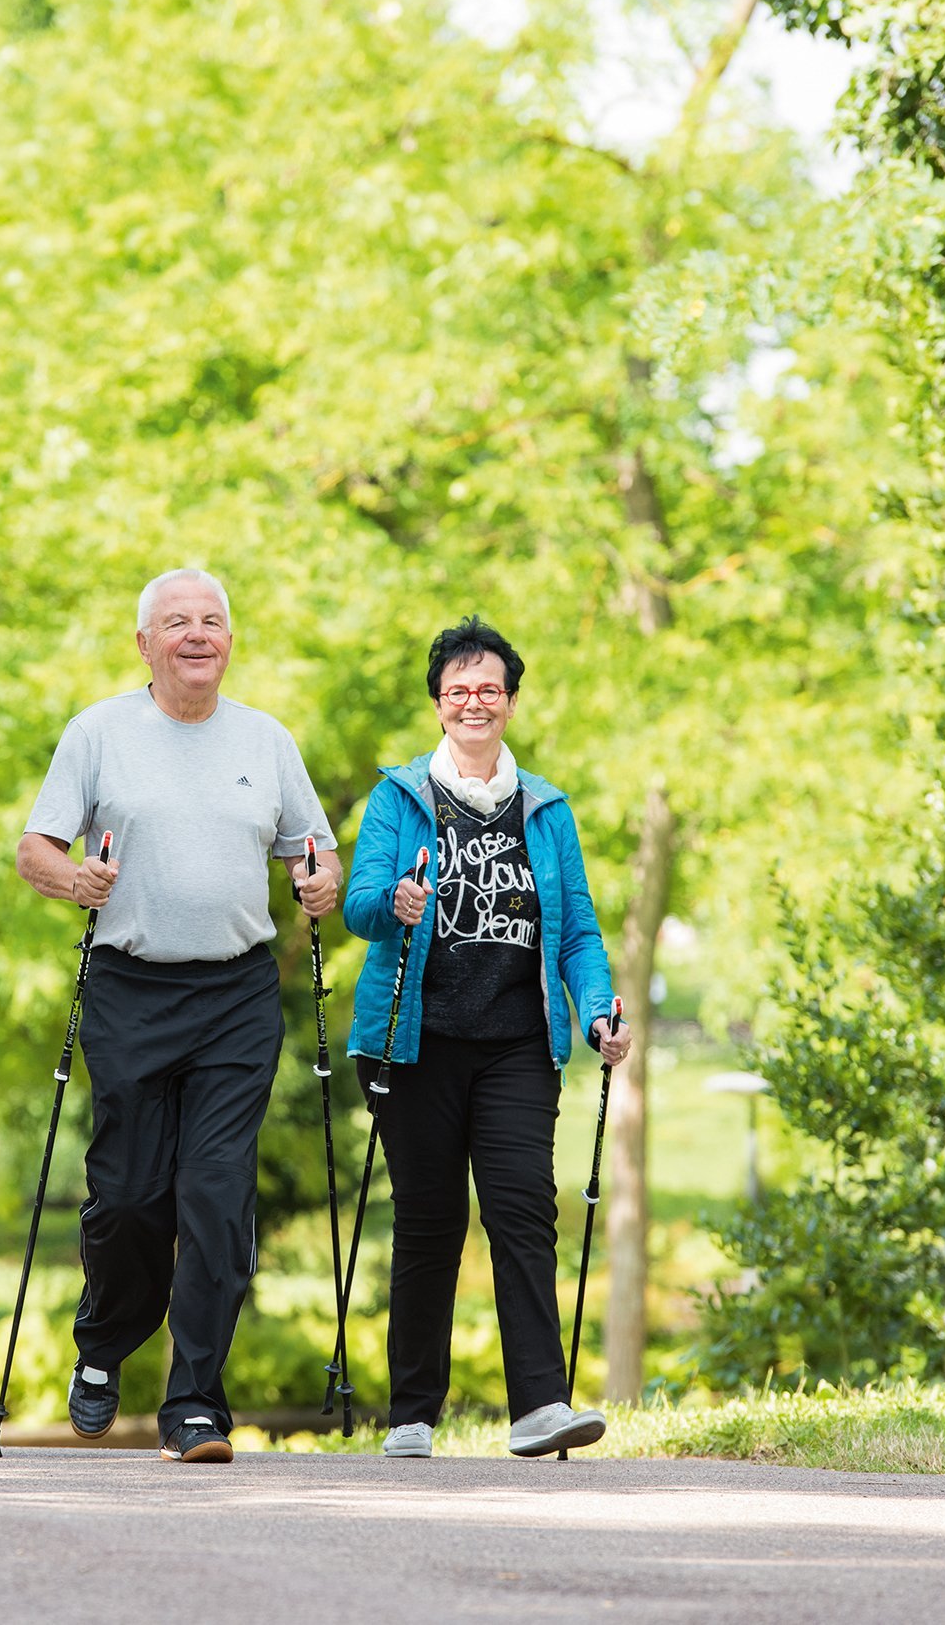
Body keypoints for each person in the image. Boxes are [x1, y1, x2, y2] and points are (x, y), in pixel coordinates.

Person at [18, 567, 340, 1462]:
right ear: (145, 644)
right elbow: (33, 847)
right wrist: (72, 877)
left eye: (212, 621)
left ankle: (195, 1400)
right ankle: (104, 1338)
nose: (197, 634)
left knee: (216, 1198)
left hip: (236, 995)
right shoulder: (99, 733)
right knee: (128, 1194)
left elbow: (314, 849)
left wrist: (318, 880)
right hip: (130, 983)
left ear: (230, 641)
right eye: (176, 622)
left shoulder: (266, 740)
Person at [341, 616, 632, 1460]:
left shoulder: (545, 809)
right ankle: (412, 1414)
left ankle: (540, 1403)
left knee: (521, 1212)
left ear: (509, 701)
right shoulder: (400, 798)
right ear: (438, 703)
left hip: (514, 1040)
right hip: (411, 1039)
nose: (474, 701)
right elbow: (361, 903)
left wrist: (600, 1009)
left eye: (489, 689)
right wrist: (393, 899)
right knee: (430, 1222)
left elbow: (576, 929)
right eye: (458, 689)